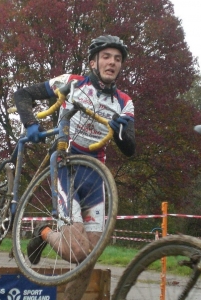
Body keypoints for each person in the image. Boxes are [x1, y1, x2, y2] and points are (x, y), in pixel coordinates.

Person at [14, 35, 135, 300]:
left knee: (89, 255)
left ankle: (67, 286)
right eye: (106, 56)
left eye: (117, 59)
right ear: (93, 61)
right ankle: (44, 232)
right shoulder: (72, 82)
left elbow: (130, 150)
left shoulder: (124, 101)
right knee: (77, 250)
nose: (112, 62)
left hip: (95, 176)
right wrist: (30, 122)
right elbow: (22, 95)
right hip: (67, 166)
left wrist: (120, 134)